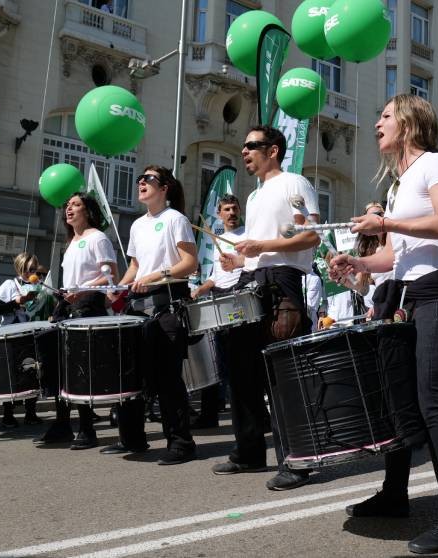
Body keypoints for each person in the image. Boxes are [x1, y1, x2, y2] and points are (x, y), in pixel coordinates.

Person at [330, 94, 438, 554]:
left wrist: (387, 221)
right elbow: (395, 256)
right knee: (400, 404)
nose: (377, 123)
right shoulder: (398, 183)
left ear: (409, 122)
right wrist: (357, 260)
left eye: (386, 115)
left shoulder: (436, 164)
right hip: (410, 296)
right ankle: (395, 496)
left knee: (431, 405)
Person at [210, 125, 320, 492]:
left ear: (272, 150)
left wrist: (261, 247)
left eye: (251, 146)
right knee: (242, 371)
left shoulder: (295, 183)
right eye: (243, 146)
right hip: (253, 280)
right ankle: (249, 451)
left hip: (284, 281)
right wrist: (240, 261)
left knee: (282, 377)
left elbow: (311, 235)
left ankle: (297, 460)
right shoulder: (255, 197)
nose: (244, 152)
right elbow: (260, 250)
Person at [105, 165, 198, 466]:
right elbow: (135, 266)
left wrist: (157, 276)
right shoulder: (136, 225)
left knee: (168, 378)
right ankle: (132, 438)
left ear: (165, 187)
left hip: (167, 303)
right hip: (138, 304)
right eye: (140, 179)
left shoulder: (175, 219)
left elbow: (190, 264)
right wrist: (118, 287)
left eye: (149, 179)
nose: (141, 183)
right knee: (133, 374)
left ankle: (181, 444)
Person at [34, 192, 118, 450]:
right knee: (60, 368)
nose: (69, 209)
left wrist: (83, 289)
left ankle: (87, 428)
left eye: (76, 205)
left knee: (79, 370)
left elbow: (112, 276)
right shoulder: (71, 242)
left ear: (88, 211)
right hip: (68, 307)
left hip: (87, 307)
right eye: (67, 205)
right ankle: (62, 423)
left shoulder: (98, 238)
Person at [190, 194, 246, 429]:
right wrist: (201, 289)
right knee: (214, 358)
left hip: (240, 294)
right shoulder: (218, 239)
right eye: (226, 209)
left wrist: (238, 261)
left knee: (240, 359)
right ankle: (209, 414)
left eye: (234, 208)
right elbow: (215, 275)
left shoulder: (247, 235)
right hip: (218, 296)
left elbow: (254, 263)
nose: (231, 213)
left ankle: (248, 414)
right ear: (219, 214)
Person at [0, 252, 44, 428]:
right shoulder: (9, 284)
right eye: (28, 269)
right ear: (19, 268)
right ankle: (8, 415)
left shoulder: (40, 286)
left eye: (34, 269)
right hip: (12, 334)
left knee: (32, 371)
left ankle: (31, 413)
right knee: (11, 374)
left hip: (31, 333)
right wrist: (17, 302)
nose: (31, 272)